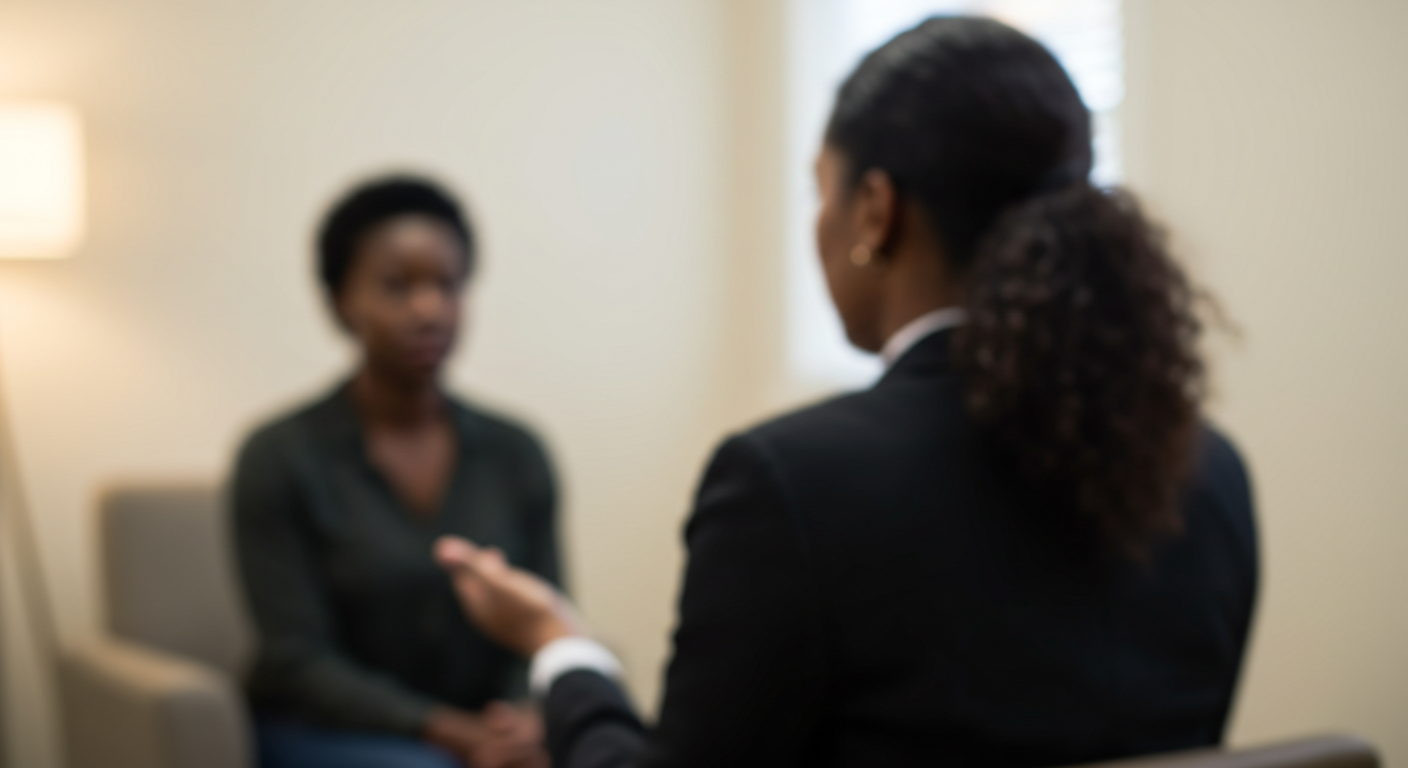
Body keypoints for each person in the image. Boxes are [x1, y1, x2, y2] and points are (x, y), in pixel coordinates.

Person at [434, 16, 1258, 768]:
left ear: (874, 211)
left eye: (819, 190)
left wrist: (563, 651)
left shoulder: (792, 481)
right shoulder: (1208, 474)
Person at [231, 177, 558, 768]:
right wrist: (449, 733)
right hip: (325, 730)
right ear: (340, 302)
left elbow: (542, 618)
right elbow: (296, 660)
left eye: (448, 285)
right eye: (396, 286)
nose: (429, 309)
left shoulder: (516, 452)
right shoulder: (279, 456)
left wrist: (517, 721)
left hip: (485, 729)